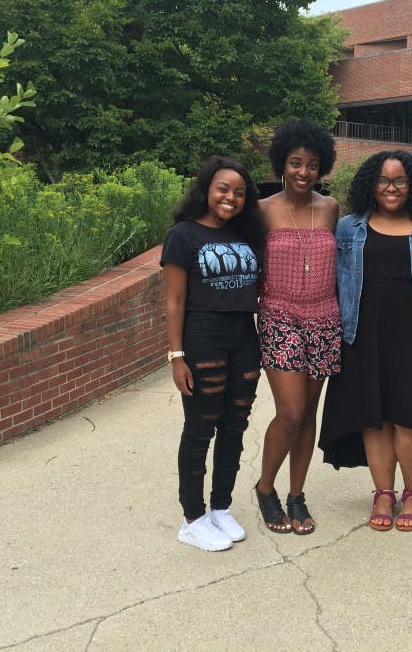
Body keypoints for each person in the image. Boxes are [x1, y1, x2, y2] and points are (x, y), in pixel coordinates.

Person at [319, 150, 412, 532]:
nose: (391, 188)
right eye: (384, 181)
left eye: (400, 181)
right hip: (362, 331)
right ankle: (384, 493)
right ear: (371, 185)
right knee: (374, 418)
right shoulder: (347, 227)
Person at [160, 156, 266, 552]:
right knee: (201, 426)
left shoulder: (244, 234)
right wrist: (177, 355)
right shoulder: (183, 235)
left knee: (235, 425)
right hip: (203, 335)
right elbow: (174, 301)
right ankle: (192, 517)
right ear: (206, 188)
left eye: (239, 192)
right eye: (223, 188)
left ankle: (221, 506)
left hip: (244, 334)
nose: (231, 197)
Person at [255, 120, 341, 536]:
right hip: (279, 316)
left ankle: (296, 495)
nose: (303, 172)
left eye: (311, 165)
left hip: (325, 319)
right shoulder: (264, 209)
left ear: (321, 168)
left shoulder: (330, 208)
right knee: (289, 412)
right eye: (295, 163)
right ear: (281, 164)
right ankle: (266, 488)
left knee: (308, 415)